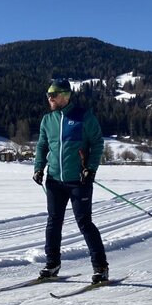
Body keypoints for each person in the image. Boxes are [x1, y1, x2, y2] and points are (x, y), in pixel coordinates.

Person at [32, 79, 109, 283]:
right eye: (48, 94)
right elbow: (41, 146)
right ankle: (52, 263)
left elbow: (97, 143)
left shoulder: (84, 117)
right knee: (53, 222)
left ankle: (100, 267)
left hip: (79, 181)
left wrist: (90, 169)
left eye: (54, 95)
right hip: (55, 181)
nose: (50, 98)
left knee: (84, 223)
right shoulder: (47, 120)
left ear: (65, 96)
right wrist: (38, 168)